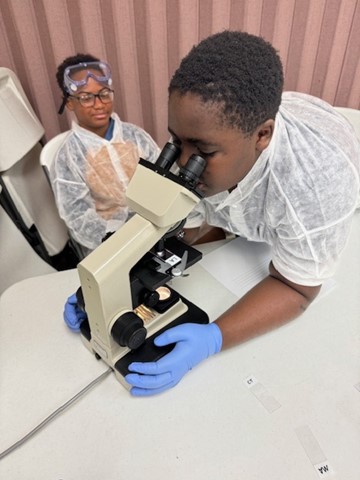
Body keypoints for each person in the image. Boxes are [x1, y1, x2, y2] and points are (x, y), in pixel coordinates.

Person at [64, 32, 360, 396]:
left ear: (262, 134)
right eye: (176, 142)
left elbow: (297, 289)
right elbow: (186, 223)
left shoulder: (313, 185)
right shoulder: (215, 143)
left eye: (202, 150)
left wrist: (214, 337)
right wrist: (107, 277)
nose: (184, 162)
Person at [50, 53, 160, 256]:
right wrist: (120, 235)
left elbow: (162, 180)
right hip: (109, 245)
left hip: (154, 230)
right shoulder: (68, 158)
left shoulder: (135, 137)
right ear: (70, 103)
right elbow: (79, 219)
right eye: (86, 98)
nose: (99, 104)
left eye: (104, 93)